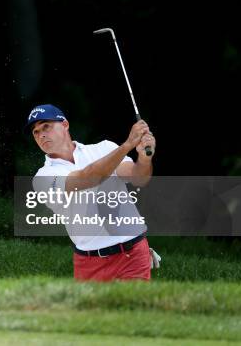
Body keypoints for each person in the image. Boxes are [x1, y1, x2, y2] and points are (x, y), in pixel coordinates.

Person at [26, 104, 159, 281]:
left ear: (65, 124)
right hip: (90, 262)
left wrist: (144, 158)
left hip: (133, 254)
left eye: (46, 126)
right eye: (35, 132)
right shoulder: (42, 177)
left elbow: (138, 178)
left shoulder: (103, 148)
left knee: (136, 308)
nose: (41, 134)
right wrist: (127, 145)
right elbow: (87, 178)